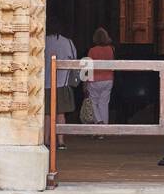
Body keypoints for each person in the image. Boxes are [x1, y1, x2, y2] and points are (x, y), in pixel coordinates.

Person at [45, 11, 78, 150]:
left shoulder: (42, 41)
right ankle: (61, 141)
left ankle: (45, 140)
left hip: (44, 83)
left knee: (46, 114)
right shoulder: (68, 42)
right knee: (61, 113)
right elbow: (74, 60)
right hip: (62, 83)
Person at [85, 26, 115, 135]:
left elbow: (87, 68)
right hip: (108, 79)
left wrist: (85, 83)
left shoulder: (92, 51)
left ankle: (99, 122)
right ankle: (104, 128)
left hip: (94, 79)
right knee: (104, 103)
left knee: (94, 102)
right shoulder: (111, 49)